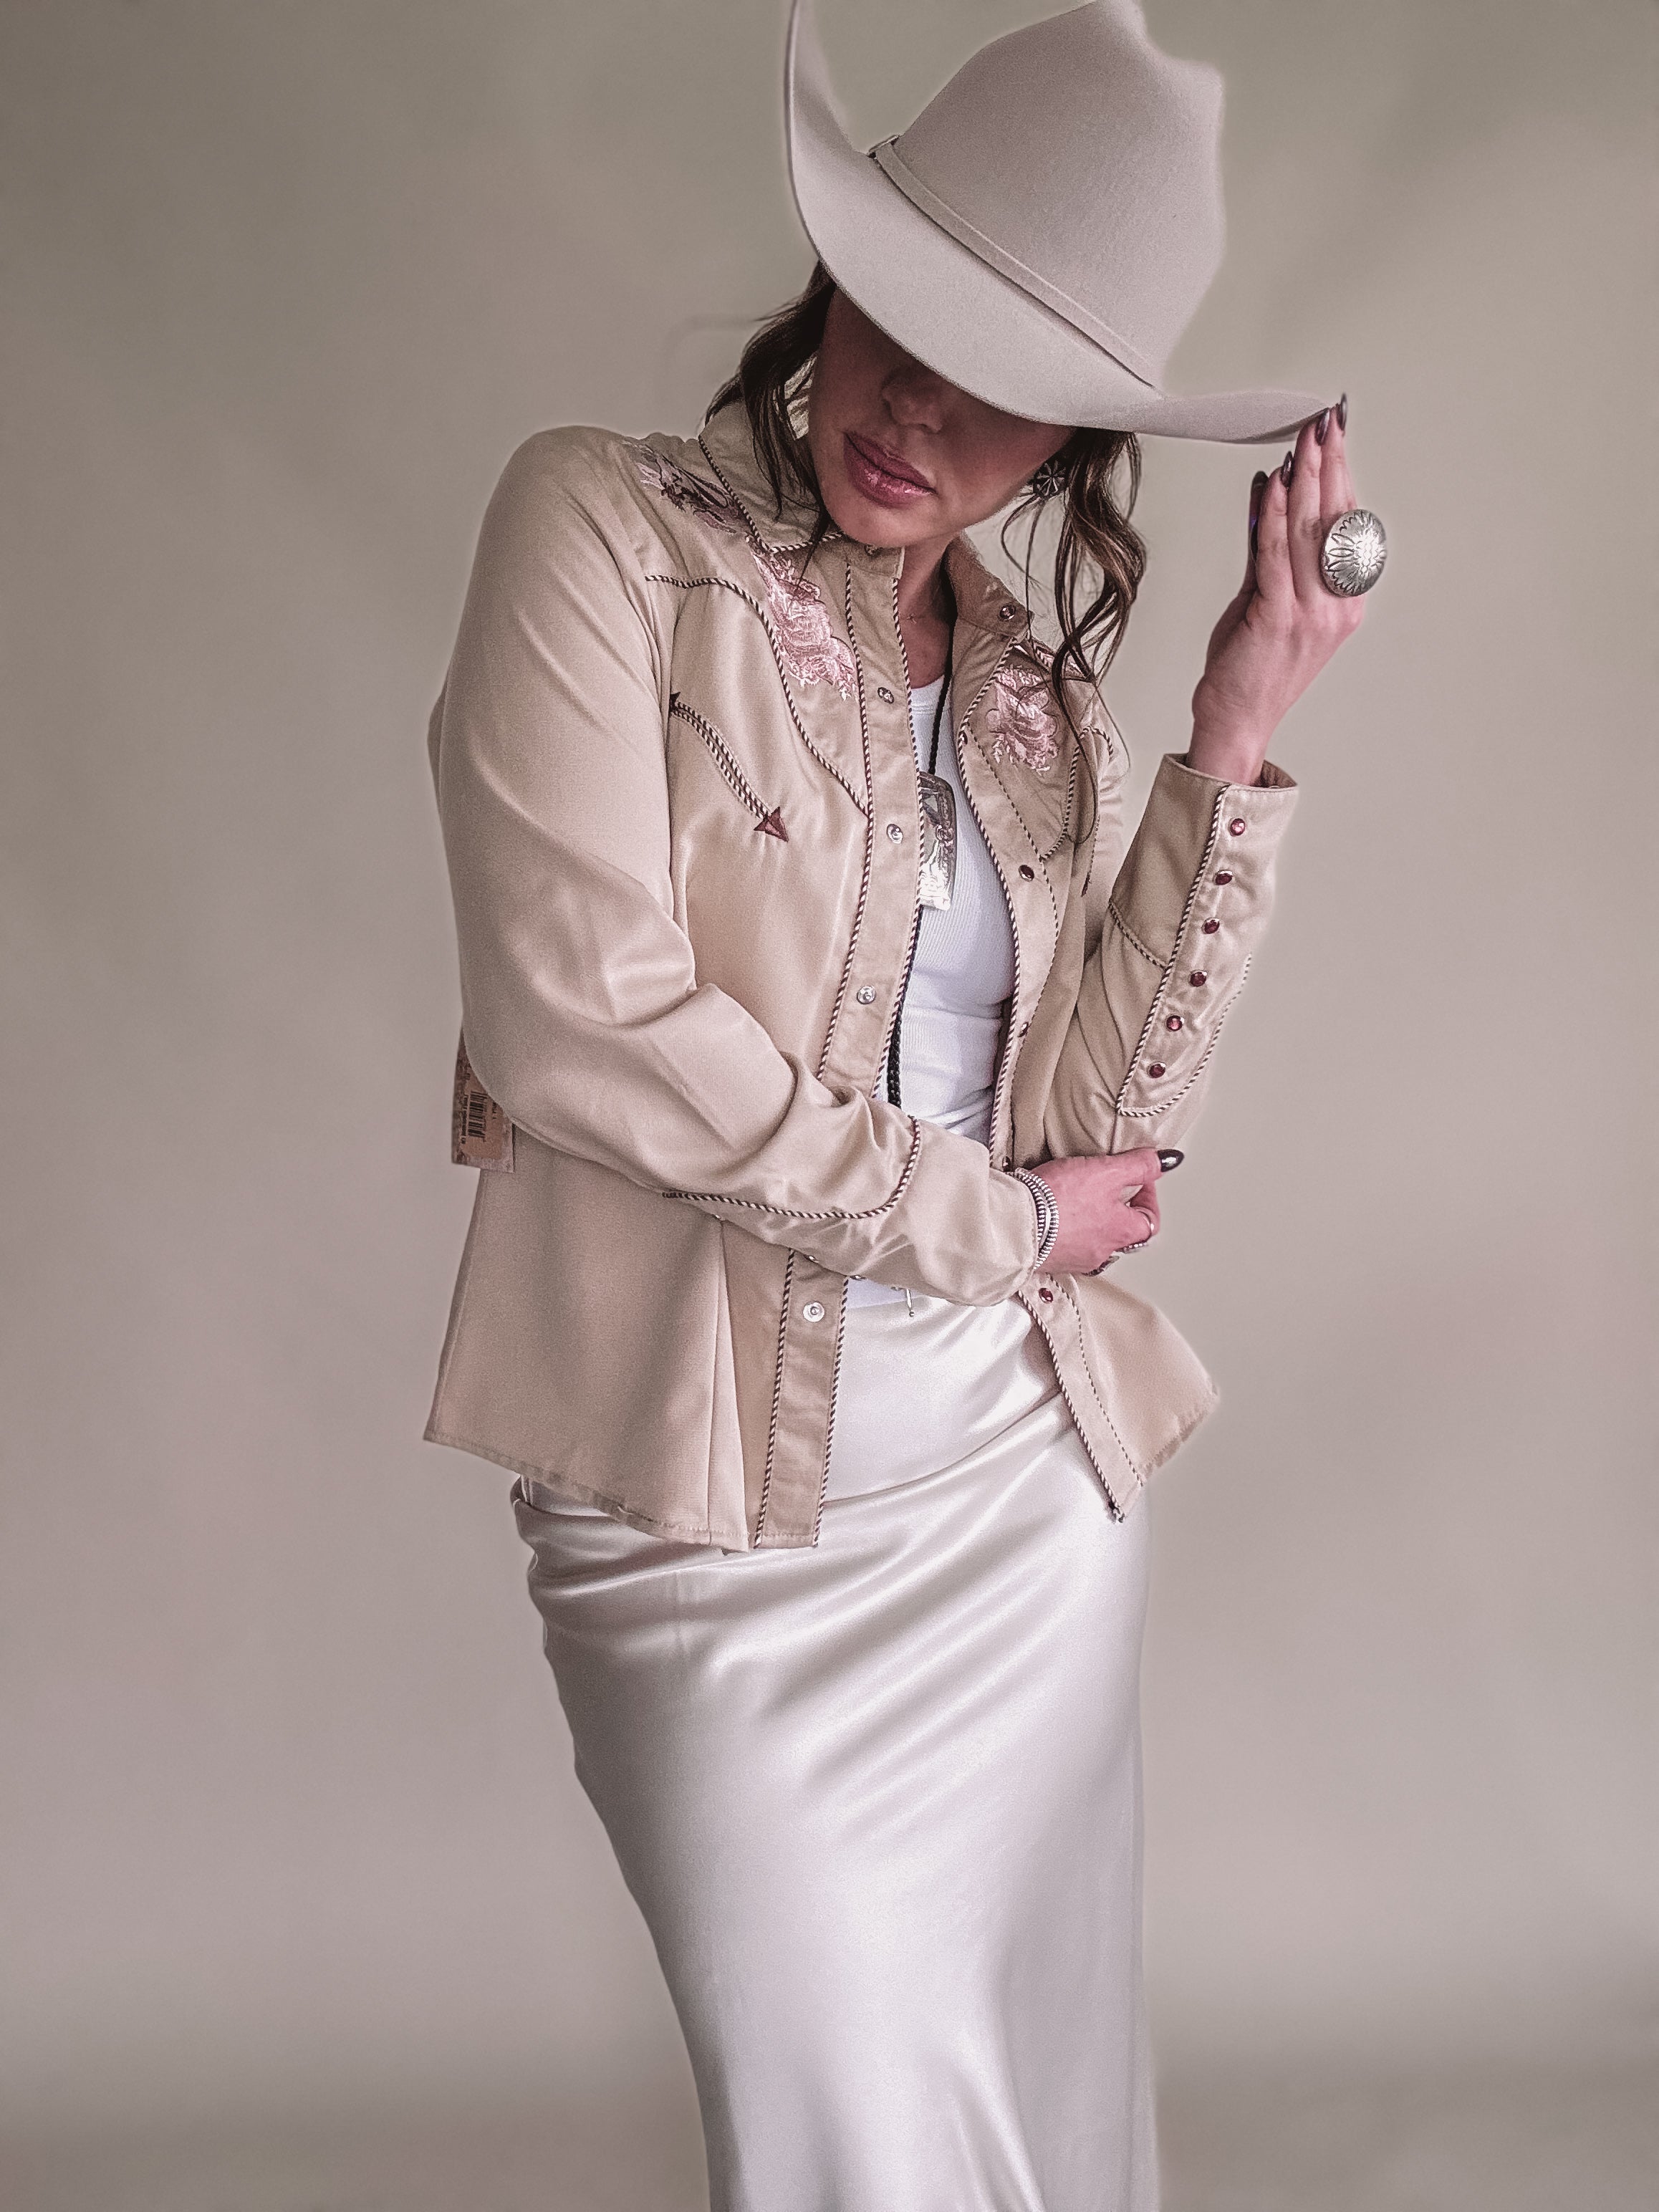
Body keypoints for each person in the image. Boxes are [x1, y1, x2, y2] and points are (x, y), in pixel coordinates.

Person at [424, 3, 1383, 2206]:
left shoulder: (1037, 704)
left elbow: (1106, 1133)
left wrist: (1229, 731)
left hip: (1014, 1502)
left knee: (1032, 2103)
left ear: (1068, 443)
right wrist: (983, 1226)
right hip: (698, 1494)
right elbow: (583, 1016)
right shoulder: (603, 534)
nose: (922, 409)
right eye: (911, 320)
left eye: (1009, 386)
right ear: (836, 277)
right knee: (838, 2106)